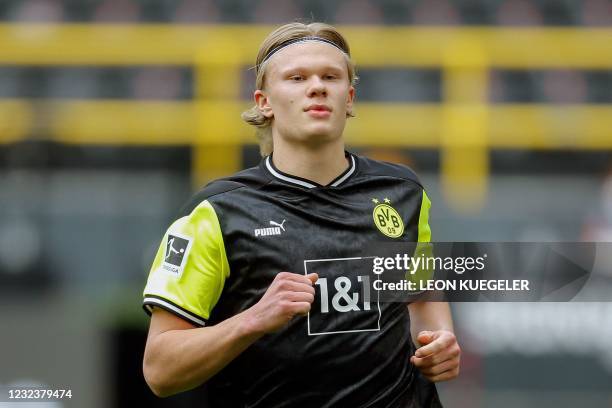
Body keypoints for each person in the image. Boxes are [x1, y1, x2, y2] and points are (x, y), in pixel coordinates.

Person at [142, 22, 461, 407]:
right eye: (296, 77)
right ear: (264, 102)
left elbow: (421, 292)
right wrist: (253, 319)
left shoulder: (403, 192)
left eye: (331, 76)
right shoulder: (218, 212)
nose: (317, 86)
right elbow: (160, 371)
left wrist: (439, 339)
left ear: (350, 97)